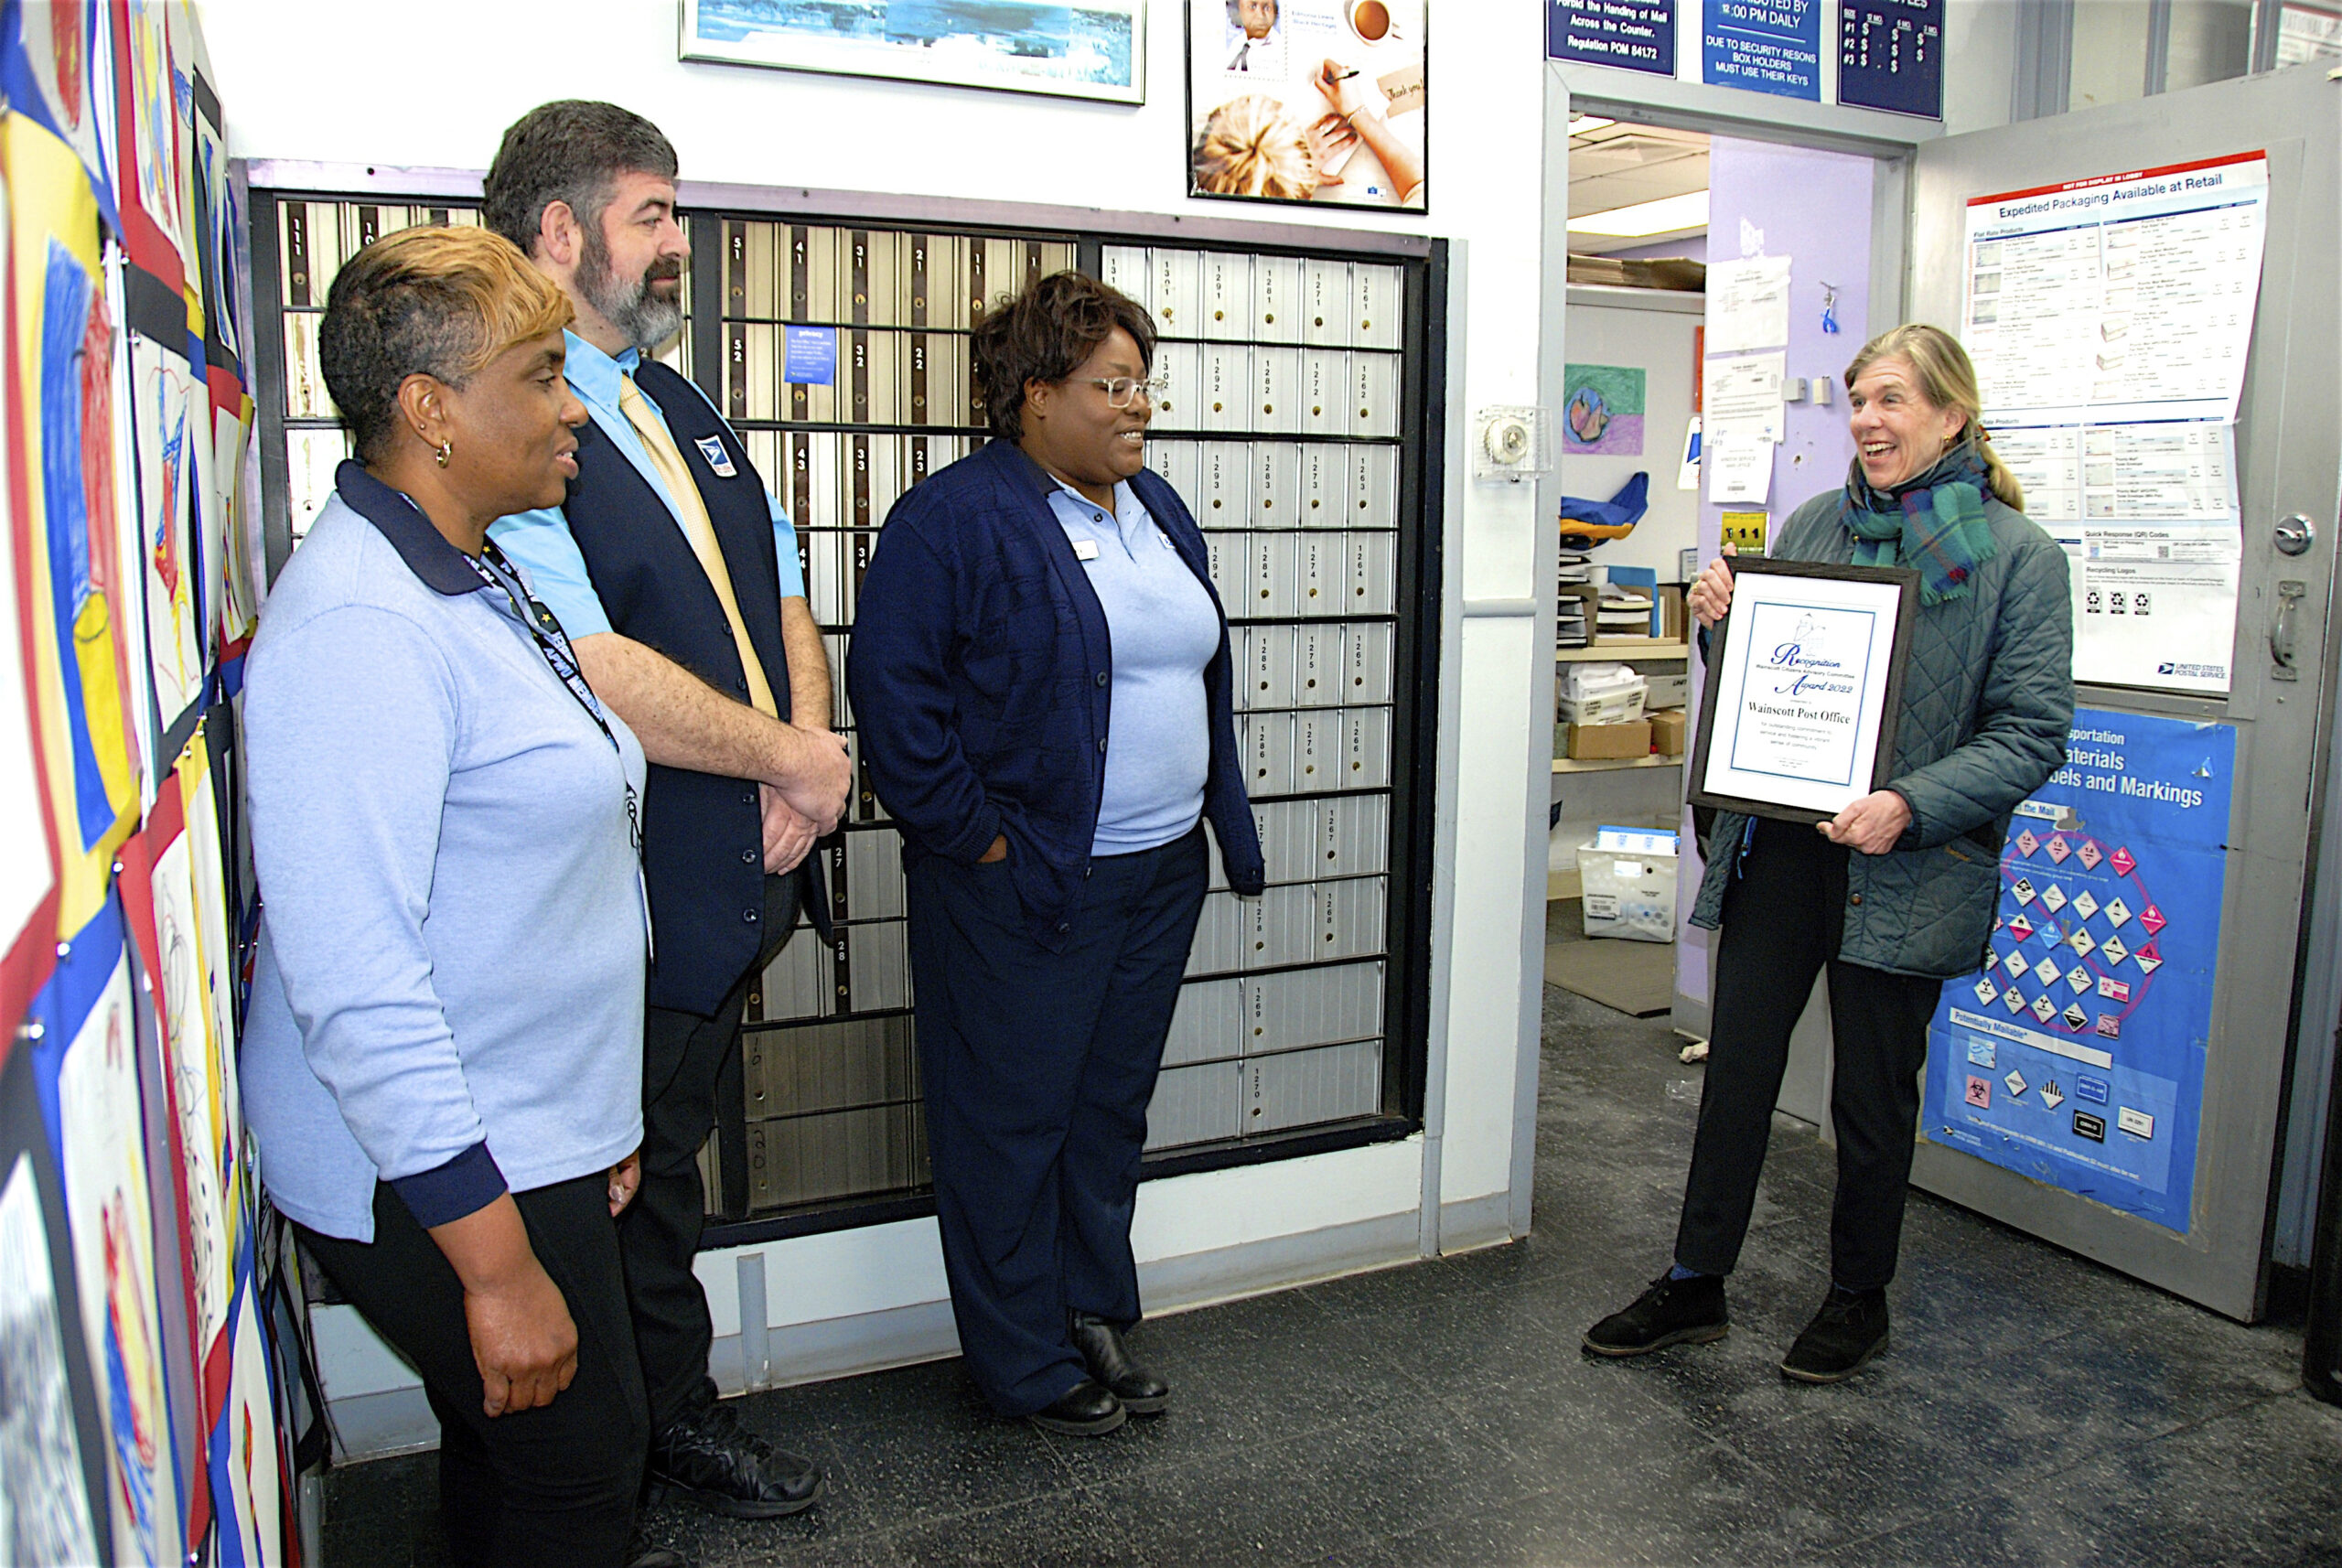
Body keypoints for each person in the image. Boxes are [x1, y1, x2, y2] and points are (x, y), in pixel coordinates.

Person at [240, 226, 663, 1564]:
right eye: (540, 376)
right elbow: (358, 984)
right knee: (581, 1473)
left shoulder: (470, 562)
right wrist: (492, 1267)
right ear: (429, 410)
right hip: (436, 1163)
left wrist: (596, 1111)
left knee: (514, 1456)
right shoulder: (366, 624)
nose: (568, 407)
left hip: (532, 1126)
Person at [1583, 324, 2074, 1383]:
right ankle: (1694, 1280)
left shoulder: (2017, 560)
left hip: (1908, 861)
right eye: (1857, 400)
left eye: (1891, 400)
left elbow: (2032, 731)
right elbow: (1770, 680)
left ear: (1951, 414)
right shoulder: (1815, 522)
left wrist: (1910, 801)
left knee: (1871, 1095)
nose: (1866, 420)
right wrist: (1719, 626)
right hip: (1785, 855)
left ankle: (1859, 1297)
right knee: (1738, 1074)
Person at [481, 100, 847, 1518]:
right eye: (655, 214)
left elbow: (789, 576)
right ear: (561, 231)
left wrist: (802, 753)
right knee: (608, 1189)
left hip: (744, 855)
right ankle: (619, 1461)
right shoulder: (522, 415)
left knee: (665, 1163)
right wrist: (787, 765)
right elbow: (597, 664)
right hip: (630, 891)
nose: (680, 244)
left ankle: (658, 1427)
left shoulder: (668, 395)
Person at [848, 273, 1266, 1435]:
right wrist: (980, 840)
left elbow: (1192, 667)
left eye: (1144, 385)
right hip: (1026, 882)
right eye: (1111, 386)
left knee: (1104, 1113)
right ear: (1034, 396)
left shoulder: (1153, 504)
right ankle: (1021, 1361)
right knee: (1009, 1122)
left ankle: (1091, 1313)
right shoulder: (956, 518)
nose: (1138, 408)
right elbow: (893, 699)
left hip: (1156, 874)